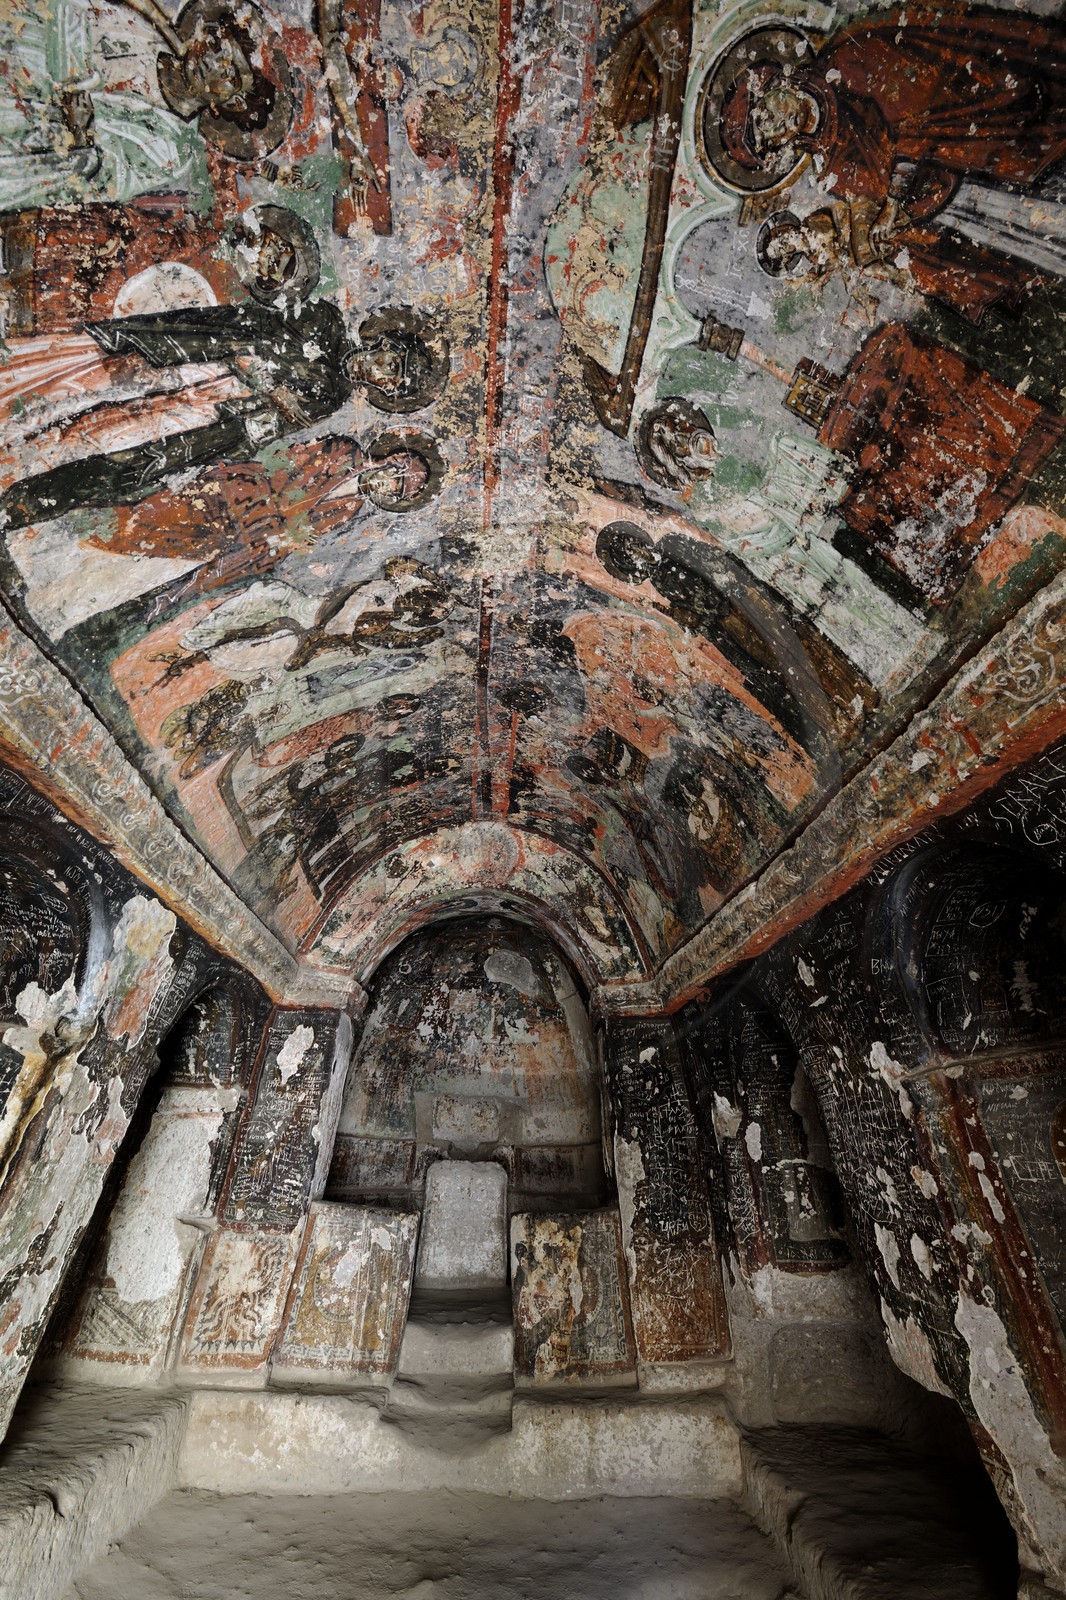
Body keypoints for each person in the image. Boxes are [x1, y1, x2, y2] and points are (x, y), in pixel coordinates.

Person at [0, 302, 447, 528]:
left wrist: (260, 404)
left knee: (112, 438)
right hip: (197, 356)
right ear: (384, 343)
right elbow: (255, 327)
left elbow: (269, 425)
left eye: (390, 383)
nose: (380, 374)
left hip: (210, 411)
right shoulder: (325, 321)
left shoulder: (334, 398)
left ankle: (20, 482)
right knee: (89, 381)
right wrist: (266, 375)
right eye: (390, 363)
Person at [719, 6, 1066, 224]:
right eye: (768, 138)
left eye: (765, 114)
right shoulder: (832, 171)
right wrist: (901, 209)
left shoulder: (847, 59)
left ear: (776, 83)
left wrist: (899, 179)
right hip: (989, 167)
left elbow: (922, 83)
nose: (776, 126)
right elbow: (893, 199)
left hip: (984, 91)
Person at [756, 204, 1040, 327]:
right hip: (873, 252)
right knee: (933, 275)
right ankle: (999, 293)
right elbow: (836, 262)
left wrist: (820, 276)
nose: (788, 245)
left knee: (936, 255)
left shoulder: (812, 225)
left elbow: (834, 247)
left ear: (785, 230)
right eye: (784, 251)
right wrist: (815, 278)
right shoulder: (811, 256)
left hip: (872, 233)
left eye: (782, 241)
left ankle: (1008, 275)